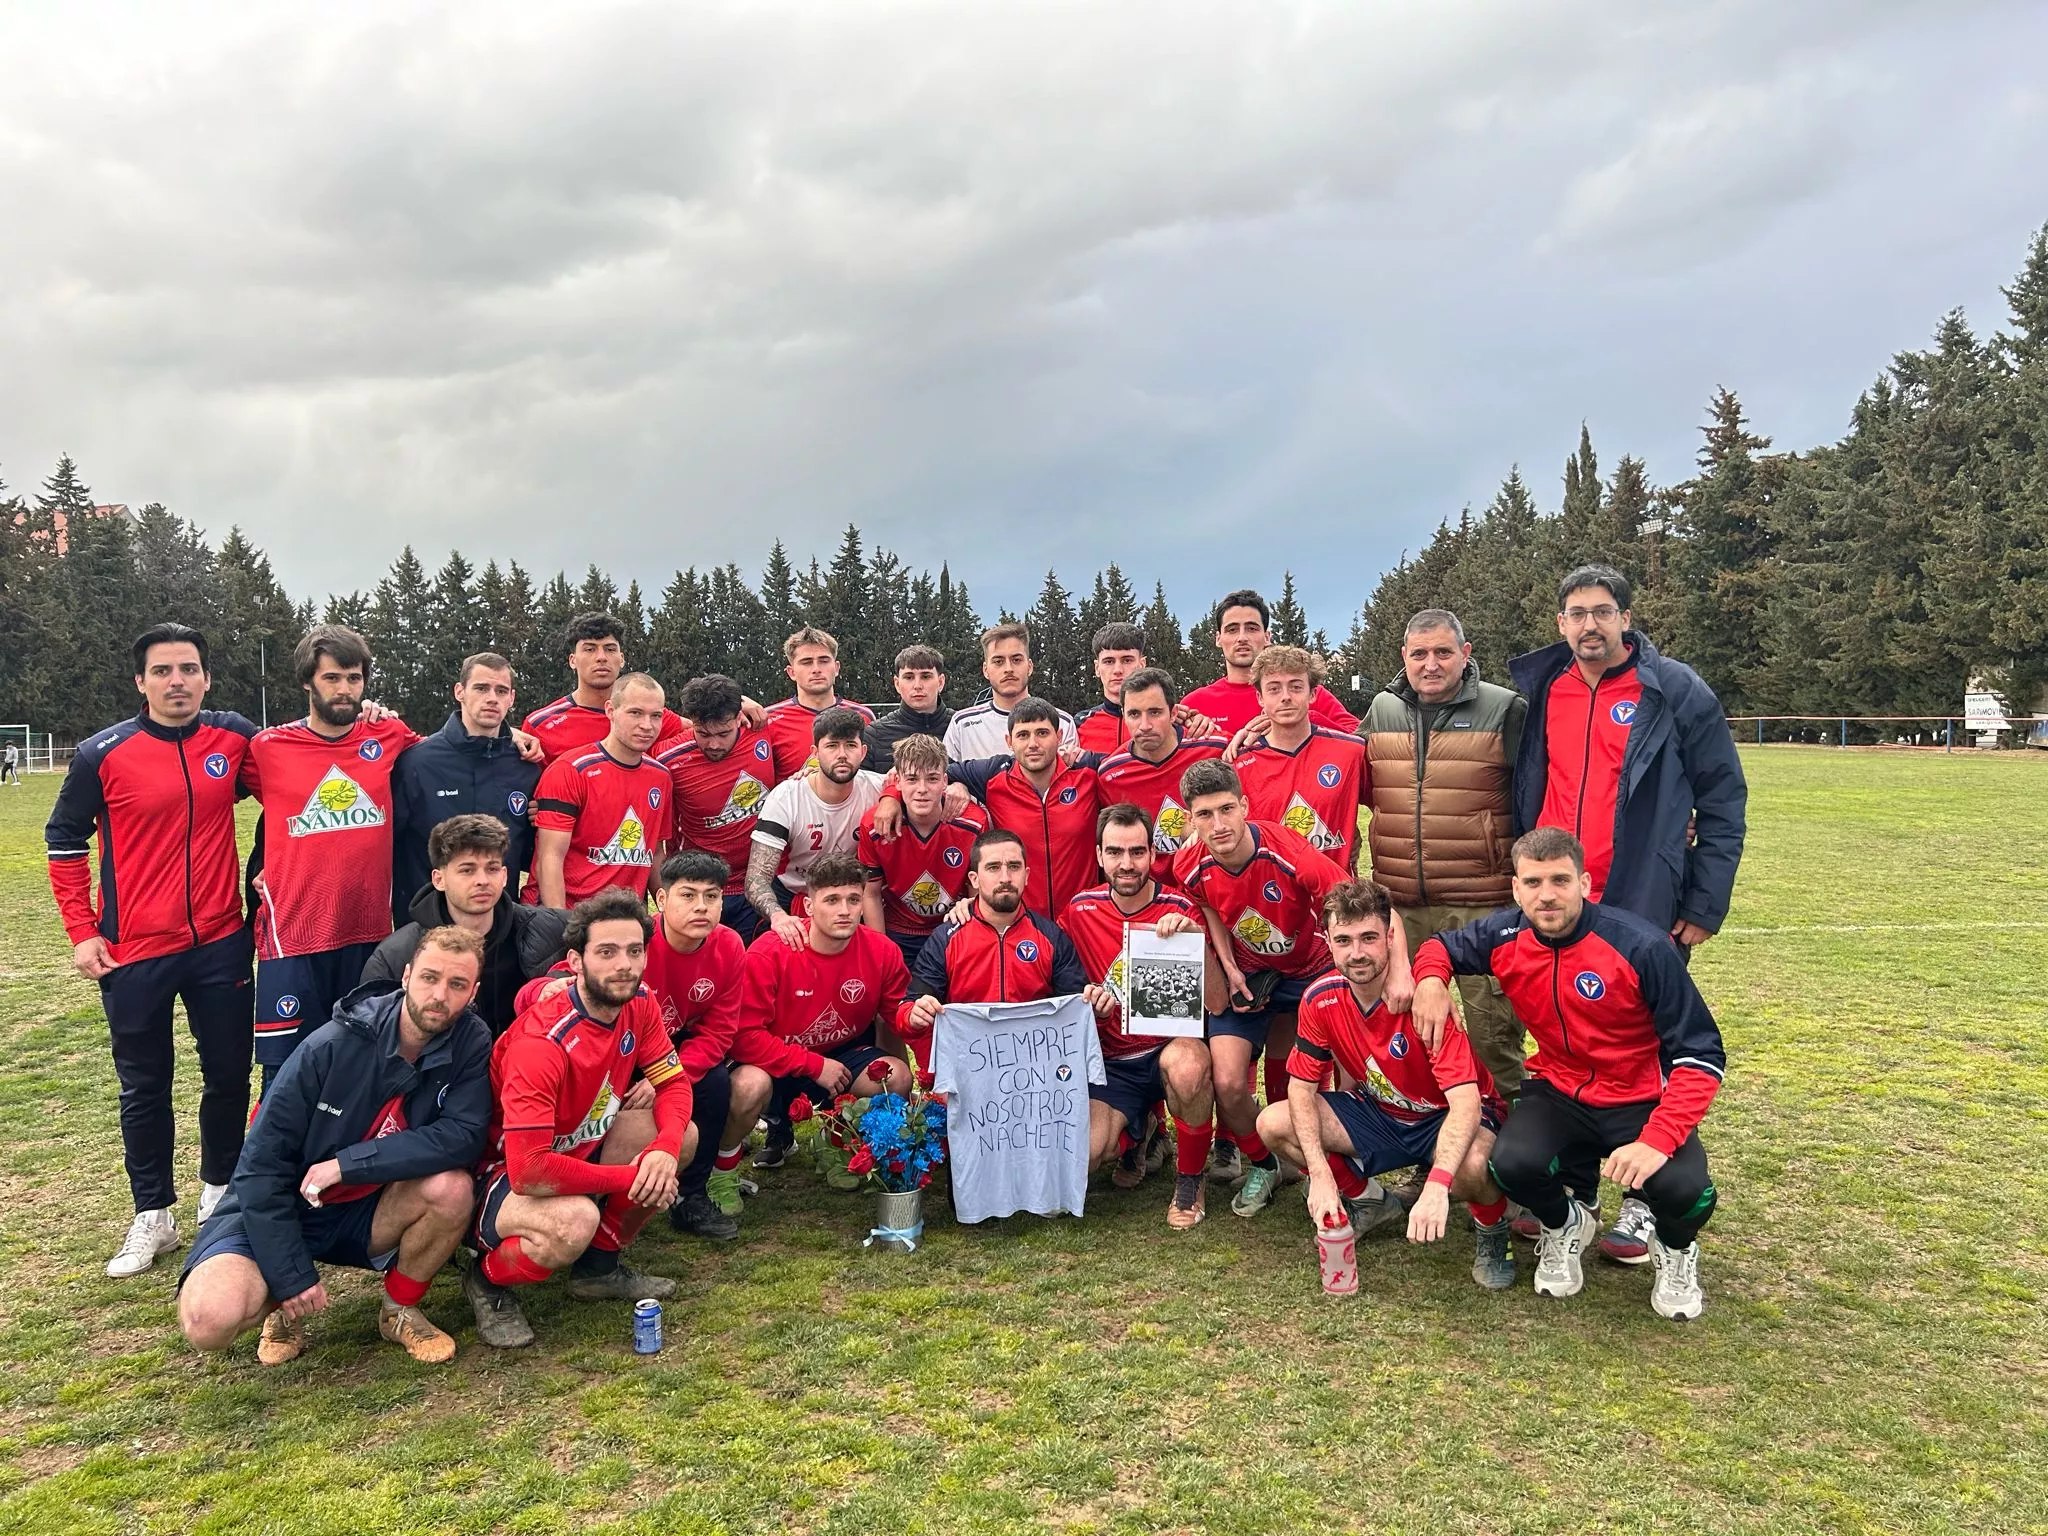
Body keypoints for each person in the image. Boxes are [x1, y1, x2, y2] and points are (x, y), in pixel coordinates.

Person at [1509, 564, 1746, 1262]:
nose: (1590, 625)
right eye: (1577, 613)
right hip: (1557, 903)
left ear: (1626, 618)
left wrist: (1702, 903)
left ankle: (1644, 1202)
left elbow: (1724, 802)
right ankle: (1577, 1192)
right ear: (1560, 624)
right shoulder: (1542, 692)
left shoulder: (1673, 690)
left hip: (1643, 900)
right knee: (1564, 1031)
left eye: (1603, 612)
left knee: (1651, 1046)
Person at [1410, 827, 1725, 1321]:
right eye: (1533, 883)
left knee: (1686, 1191)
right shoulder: (1506, 933)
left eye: (1560, 880)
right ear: (1516, 889)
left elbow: (1702, 1054)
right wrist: (1430, 980)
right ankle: (1565, 1225)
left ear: (1585, 882)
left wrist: (1658, 1138)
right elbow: (1441, 946)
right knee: (1509, 1165)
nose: (1547, 895)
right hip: (1560, 1092)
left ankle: (1676, 1248)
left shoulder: (1641, 947)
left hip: (1638, 1100)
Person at [176, 927, 493, 1365]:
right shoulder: (330, 1044)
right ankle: (279, 1303)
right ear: (405, 976)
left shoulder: (471, 1041)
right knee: (208, 1321)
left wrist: (348, 1164)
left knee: (453, 1189)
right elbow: (259, 1169)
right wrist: (290, 1274)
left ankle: (399, 1310)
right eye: (429, 978)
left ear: (473, 992)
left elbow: (462, 1135)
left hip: (364, 1208)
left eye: (456, 984)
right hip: (283, 1205)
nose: (439, 995)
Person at [47, 623, 259, 1277]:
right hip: (134, 951)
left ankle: (219, 1193)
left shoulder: (233, 737)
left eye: (189, 669)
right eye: (163, 671)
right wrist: (83, 930)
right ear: (141, 682)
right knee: (145, 1085)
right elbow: (62, 841)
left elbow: (305, 765)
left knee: (228, 1075)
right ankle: (152, 1216)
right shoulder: (101, 753)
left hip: (221, 941)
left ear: (206, 677)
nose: (178, 681)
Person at [1173, 760, 1411, 1219]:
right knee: (1227, 1081)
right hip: (1251, 975)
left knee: (1347, 1072)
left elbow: (1369, 907)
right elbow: (1207, 909)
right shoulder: (1188, 863)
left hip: (1311, 969)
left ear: (1244, 805)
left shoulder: (1288, 851)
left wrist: (1399, 966)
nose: (1218, 825)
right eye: (1204, 815)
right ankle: (1266, 1163)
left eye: (1226, 809)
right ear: (1191, 819)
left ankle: (1348, 1169)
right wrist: (1228, 965)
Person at [1253, 881, 1515, 1291]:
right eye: (1344, 940)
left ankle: (1492, 1225)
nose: (1357, 953)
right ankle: (1370, 1201)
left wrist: (1436, 1186)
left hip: (1445, 1116)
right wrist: (1320, 1174)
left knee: (1470, 1167)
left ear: (1391, 938)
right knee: (1274, 1122)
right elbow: (1301, 1090)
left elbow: (1466, 1105)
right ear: (1329, 942)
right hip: (1381, 1113)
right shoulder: (1320, 999)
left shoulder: (1424, 1001)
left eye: (1369, 938)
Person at [464, 890, 694, 1349]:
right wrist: (631, 1178)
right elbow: (530, 1169)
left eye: (634, 951)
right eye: (606, 952)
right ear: (575, 961)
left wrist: (665, 1150)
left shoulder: (639, 1001)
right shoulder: (541, 1042)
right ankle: (485, 1280)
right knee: (572, 1222)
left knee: (682, 1137)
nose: (624, 965)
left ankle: (599, 1269)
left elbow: (674, 1083)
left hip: (579, 1151)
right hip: (501, 1173)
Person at [1360, 608, 1529, 1098]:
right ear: (1404, 658)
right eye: (1420, 654)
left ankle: (1513, 1163)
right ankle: (1431, 1155)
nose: (1431, 664)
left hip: (1481, 902)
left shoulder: (1505, 710)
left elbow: (1540, 794)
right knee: (1409, 1036)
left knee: (1492, 1036)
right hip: (1401, 904)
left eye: (1443, 652)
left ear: (1465, 654)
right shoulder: (1382, 711)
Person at [245, 625, 420, 1089]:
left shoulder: (388, 734)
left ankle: (345, 1162)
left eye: (354, 678)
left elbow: (451, 754)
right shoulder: (268, 748)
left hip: (368, 934)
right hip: (294, 939)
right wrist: (261, 867)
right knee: (286, 1075)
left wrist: (517, 736)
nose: (345, 689)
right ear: (307, 681)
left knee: (361, 1066)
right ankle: (274, 1164)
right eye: (332, 678)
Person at [1064, 805, 1216, 1229]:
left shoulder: (1180, 907)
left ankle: (1190, 1180)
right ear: (1098, 855)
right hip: (1113, 1061)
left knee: (1187, 1068)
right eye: (1115, 852)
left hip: (1166, 1048)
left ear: (1152, 853)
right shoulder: (1079, 911)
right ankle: (1140, 1127)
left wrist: (1195, 941)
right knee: (1090, 1154)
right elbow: (1056, 979)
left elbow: (1217, 1000)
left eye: (1136, 852)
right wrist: (1084, 996)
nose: (1126, 864)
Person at [728, 855, 915, 1176]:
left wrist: (918, 1016)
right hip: (775, 1060)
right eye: (832, 900)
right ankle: (721, 1171)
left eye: (853, 900)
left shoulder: (882, 952)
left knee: (894, 1077)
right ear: (809, 906)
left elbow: (896, 1017)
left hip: (842, 1057)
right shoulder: (768, 952)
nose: (844, 910)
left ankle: (852, 1135)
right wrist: (813, 1065)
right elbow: (744, 1040)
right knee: (746, 1086)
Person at [362, 814, 568, 1035]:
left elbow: (601, 944)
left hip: (524, 1061)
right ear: (438, 879)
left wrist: (556, 981)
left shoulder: (549, 927)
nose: (482, 880)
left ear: (505, 876)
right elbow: (371, 1036)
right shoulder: (396, 956)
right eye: (467, 870)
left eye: (492, 868)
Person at [899, 829, 1108, 1040]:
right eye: (993, 868)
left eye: (1014, 867)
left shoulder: (1052, 937)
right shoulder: (945, 939)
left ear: (1026, 876)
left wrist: (1097, 1010)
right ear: (974, 879)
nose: (1005, 878)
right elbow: (909, 1008)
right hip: (970, 1061)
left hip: (1036, 1064)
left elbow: (1076, 1011)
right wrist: (913, 1015)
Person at [642, 853, 753, 1241]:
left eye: (712, 896)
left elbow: (720, 1031)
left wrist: (667, 1076)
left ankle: (690, 1196)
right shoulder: (636, 940)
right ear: (660, 899)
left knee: (715, 1083)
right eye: (688, 895)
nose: (701, 907)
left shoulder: (730, 945)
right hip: (627, 1045)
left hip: (676, 1048)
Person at [388, 651, 542, 923]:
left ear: (511, 698)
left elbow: (530, 851)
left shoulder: (526, 767)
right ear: (459, 691)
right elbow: (386, 846)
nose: (492, 698)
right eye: (481, 688)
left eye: (501, 690)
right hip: (428, 929)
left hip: (499, 932)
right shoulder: (416, 763)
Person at [940, 699, 1103, 918]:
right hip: (1022, 925)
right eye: (1023, 735)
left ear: (1060, 737)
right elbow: (930, 771)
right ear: (1009, 741)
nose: (1033, 743)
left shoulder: (1087, 775)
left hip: (1082, 919)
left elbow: (1132, 763)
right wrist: (892, 796)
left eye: (1042, 733)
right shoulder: (993, 776)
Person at [530, 673, 675, 908]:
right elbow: (550, 859)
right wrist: (560, 924)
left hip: (627, 921)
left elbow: (656, 854)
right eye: (635, 713)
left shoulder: (661, 777)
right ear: (610, 710)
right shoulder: (570, 770)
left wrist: (668, 910)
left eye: (655, 716)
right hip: (573, 916)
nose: (646, 725)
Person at [658, 673, 781, 945]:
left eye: (723, 733)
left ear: (739, 717)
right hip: (700, 886)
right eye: (703, 734)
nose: (713, 744)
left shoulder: (765, 730)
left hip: (758, 884)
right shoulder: (667, 757)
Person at [745, 707, 887, 941]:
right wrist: (779, 917)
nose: (842, 754)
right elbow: (756, 879)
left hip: (853, 900)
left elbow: (919, 787)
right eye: (832, 746)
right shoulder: (787, 797)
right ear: (815, 753)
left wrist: (892, 796)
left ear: (863, 752)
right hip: (795, 898)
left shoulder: (878, 788)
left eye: (850, 745)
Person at [1230, 645, 1369, 872]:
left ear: (1313, 693)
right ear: (1260, 698)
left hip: (1337, 899)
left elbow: (1388, 809)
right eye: (1274, 689)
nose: (1286, 697)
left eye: (1295, 687)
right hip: (1273, 898)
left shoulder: (1351, 751)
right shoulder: (1239, 763)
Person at [856, 734, 988, 971]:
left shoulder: (972, 823)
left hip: (953, 925)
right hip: (898, 929)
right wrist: (882, 952)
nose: (922, 789)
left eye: (932, 779)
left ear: (945, 780)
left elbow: (976, 892)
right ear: (897, 781)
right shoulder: (875, 826)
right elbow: (871, 894)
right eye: (912, 779)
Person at [1094, 668, 1228, 885]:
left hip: (1214, 887)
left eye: (1155, 712)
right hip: (1155, 898)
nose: (1145, 725)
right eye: (1134, 714)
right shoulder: (1111, 774)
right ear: (1123, 714)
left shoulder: (1215, 747)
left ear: (1174, 713)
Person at [521, 612, 690, 765]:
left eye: (609, 649)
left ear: (621, 659)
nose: (601, 657)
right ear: (573, 660)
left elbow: (703, 733)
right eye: (589, 649)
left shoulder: (651, 716)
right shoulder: (540, 725)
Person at [1182, 590, 1359, 736]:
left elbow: (1358, 734)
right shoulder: (1196, 704)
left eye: (1252, 628)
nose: (1242, 638)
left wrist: (1299, 720)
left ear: (1267, 637)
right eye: (1232, 629)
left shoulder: (1301, 692)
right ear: (1218, 638)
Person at [942, 623, 1079, 761]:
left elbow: (1071, 779)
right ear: (985, 670)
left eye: (1016, 660)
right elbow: (945, 778)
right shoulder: (962, 724)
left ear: (1030, 667)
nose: (1008, 668)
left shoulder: (1062, 722)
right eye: (998, 661)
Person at [764, 626, 876, 777]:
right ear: (791, 672)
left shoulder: (864, 716)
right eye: (806, 662)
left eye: (823, 661)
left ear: (836, 668)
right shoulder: (769, 719)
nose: (816, 669)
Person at [862, 644, 954, 762]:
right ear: (897, 684)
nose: (917, 686)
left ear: (941, 682)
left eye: (926, 676)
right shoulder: (874, 735)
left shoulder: (962, 728)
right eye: (909, 677)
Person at [1074, 623, 1149, 754]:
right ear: (1097, 668)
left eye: (1127, 660)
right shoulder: (1079, 725)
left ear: (1142, 665)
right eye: (1109, 661)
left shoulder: (1163, 720)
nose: (1118, 670)